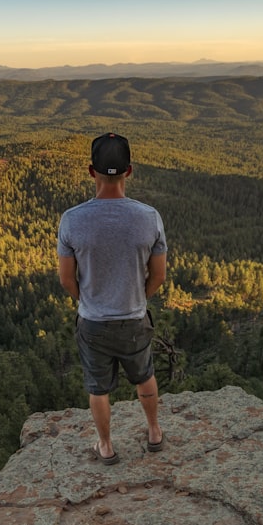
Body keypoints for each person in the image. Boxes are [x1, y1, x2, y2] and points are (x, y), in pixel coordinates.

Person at [57, 132, 167, 465]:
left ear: (92, 171)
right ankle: (154, 433)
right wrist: (135, 298)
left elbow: (66, 279)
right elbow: (158, 276)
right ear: (129, 171)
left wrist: (89, 300)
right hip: (133, 318)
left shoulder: (72, 220)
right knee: (144, 374)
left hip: (93, 321)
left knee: (98, 387)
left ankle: (106, 447)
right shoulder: (149, 217)